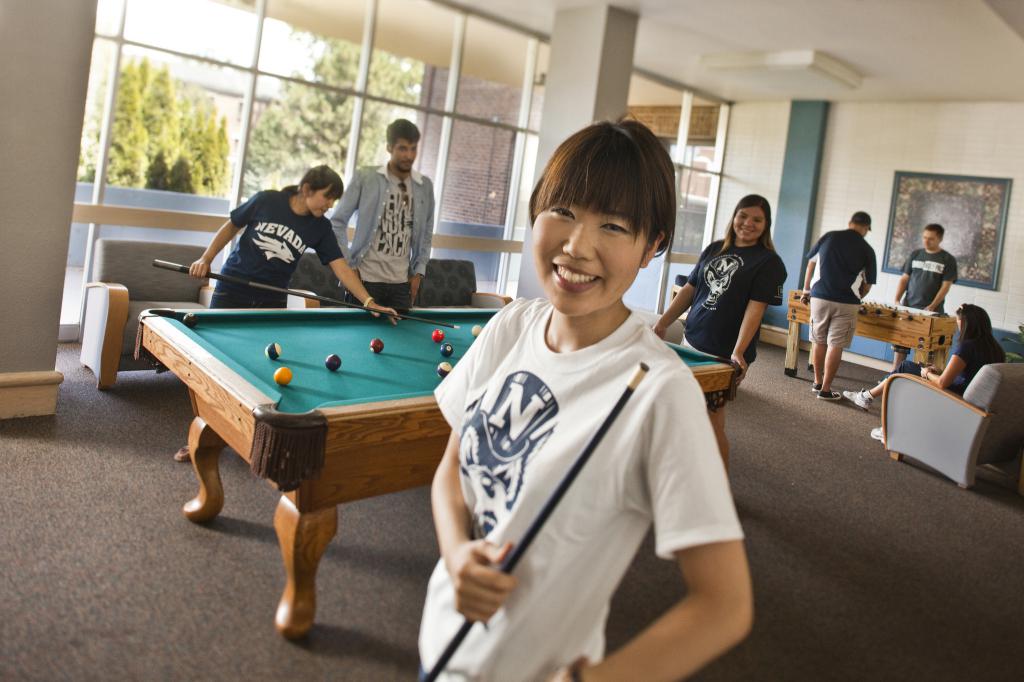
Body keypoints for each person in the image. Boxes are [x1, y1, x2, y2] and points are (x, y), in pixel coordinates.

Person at [419, 120, 752, 682]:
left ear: (652, 248)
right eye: (564, 211)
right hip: (442, 641)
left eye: (614, 226)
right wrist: (456, 555)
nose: (577, 246)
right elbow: (452, 467)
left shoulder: (659, 390)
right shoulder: (511, 326)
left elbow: (725, 607)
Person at [178, 165, 397, 462]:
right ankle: (201, 437)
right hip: (233, 289)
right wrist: (206, 258)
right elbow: (231, 225)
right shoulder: (267, 200)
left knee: (262, 368)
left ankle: (254, 437)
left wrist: (368, 300)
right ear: (306, 189)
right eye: (327, 198)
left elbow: (340, 266)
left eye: (333, 201)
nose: (329, 205)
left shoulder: (320, 227)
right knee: (214, 365)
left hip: (271, 299)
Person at [652, 194, 787, 468]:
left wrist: (739, 350)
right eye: (743, 216)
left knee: (711, 421)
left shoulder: (768, 262)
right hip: (692, 340)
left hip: (723, 352)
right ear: (734, 217)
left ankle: (718, 489)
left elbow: (755, 308)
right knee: (680, 412)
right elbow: (690, 290)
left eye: (757, 219)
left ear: (766, 225)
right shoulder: (714, 249)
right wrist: (664, 322)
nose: (748, 223)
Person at [844, 304, 1005, 435]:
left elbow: (942, 383)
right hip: (969, 395)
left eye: (958, 321)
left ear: (966, 324)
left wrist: (927, 373)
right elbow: (968, 375)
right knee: (906, 367)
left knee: (905, 368)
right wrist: (940, 372)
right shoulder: (996, 349)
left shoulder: (967, 346)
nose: (957, 326)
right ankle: (867, 397)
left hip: (955, 395)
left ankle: (884, 420)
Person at [330, 118, 436, 312]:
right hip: (365, 281)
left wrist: (418, 273)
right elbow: (337, 222)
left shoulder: (424, 186)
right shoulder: (366, 178)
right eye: (402, 148)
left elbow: (427, 232)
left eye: (413, 149)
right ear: (389, 147)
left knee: (403, 340)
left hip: (402, 284)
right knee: (357, 340)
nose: (409, 155)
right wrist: (348, 265)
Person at [802, 211, 877, 401]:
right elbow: (868, 284)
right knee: (835, 344)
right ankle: (826, 390)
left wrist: (806, 290)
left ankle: (817, 382)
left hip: (819, 297)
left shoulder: (829, 236)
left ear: (850, 222)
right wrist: (859, 295)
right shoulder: (867, 249)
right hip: (847, 302)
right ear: (867, 228)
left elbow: (811, 263)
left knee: (818, 340)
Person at [889, 223, 958, 371]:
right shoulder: (915, 254)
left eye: (931, 239)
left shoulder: (948, 259)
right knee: (900, 346)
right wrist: (896, 300)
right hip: (908, 308)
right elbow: (904, 279)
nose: (926, 241)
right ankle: (892, 376)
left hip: (931, 311)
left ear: (939, 239)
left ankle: (917, 382)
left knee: (925, 349)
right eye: (925, 237)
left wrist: (932, 306)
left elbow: (946, 286)